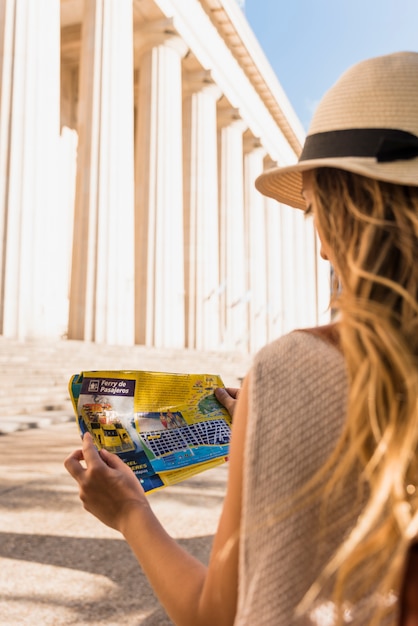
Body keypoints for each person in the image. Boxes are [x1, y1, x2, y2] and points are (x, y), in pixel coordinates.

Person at [64, 51, 418, 625]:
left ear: (339, 216)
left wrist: (129, 511)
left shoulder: (294, 369)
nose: (320, 247)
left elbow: (216, 616)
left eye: (312, 212)